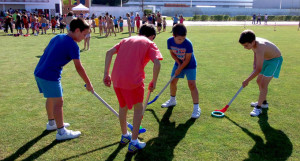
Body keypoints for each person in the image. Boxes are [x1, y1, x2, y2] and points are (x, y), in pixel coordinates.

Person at [103, 24, 162, 152]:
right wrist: (154, 81)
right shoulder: (149, 43)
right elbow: (157, 62)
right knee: (138, 108)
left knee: (122, 106)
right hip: (133, 80)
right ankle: (134, 142)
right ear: (152, 36)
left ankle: (125, 136)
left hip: (117, 79)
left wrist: (106, 74)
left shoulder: (126, 39)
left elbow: (109, 53)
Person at [34, 18, 94, 140]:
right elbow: (79, 67)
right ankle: (61, 132)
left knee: (51, 98)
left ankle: (52, 124)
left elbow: (45, 50)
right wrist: (88, 83)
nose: (85, 37)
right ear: (77, 30)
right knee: (58, 102)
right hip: (50, 75)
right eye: (84, 34)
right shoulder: (73, 45)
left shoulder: (58, 36)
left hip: (39, 72)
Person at [239, 30, 283, 117]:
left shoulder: (260, 46)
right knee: (259, 81)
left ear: (252, 42)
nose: (245, 47)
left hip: (275, 60)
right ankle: (264, 102)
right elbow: (255, 52)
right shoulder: (253, 43)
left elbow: (258, 69)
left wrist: (247, 80)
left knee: (263, 84)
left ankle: (258, 108)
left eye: (246, 45)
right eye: (243, 46)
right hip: (266, 59)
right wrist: (254, 63)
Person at [161, 24, 201, 119]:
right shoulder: (169, 41)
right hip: (178, 63)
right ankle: (172, 100)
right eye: (179, 39)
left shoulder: (188, 43)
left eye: (183, 38)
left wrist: (180, 68)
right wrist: (178, 64)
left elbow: (187, 60)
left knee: (192, 84)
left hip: (190, 65)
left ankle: (196, 107)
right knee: (173, 82)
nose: (181, 41)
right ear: (174, 35)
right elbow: (172, 53)